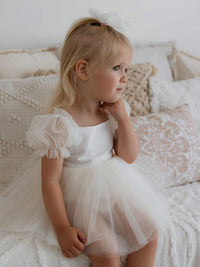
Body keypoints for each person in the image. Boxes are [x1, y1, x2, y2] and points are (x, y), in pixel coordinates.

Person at [0, 12, 170, 267]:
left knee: (150, 234)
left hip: (114, 188)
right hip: (77, 199)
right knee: (108, 252)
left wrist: (124, 121)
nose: (125, 77)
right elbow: (50, 181)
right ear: (83, 70)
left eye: (126, 68)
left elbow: (128, 156)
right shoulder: (59, 124)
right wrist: (62, 228)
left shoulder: (113, 111)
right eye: (116, 68)